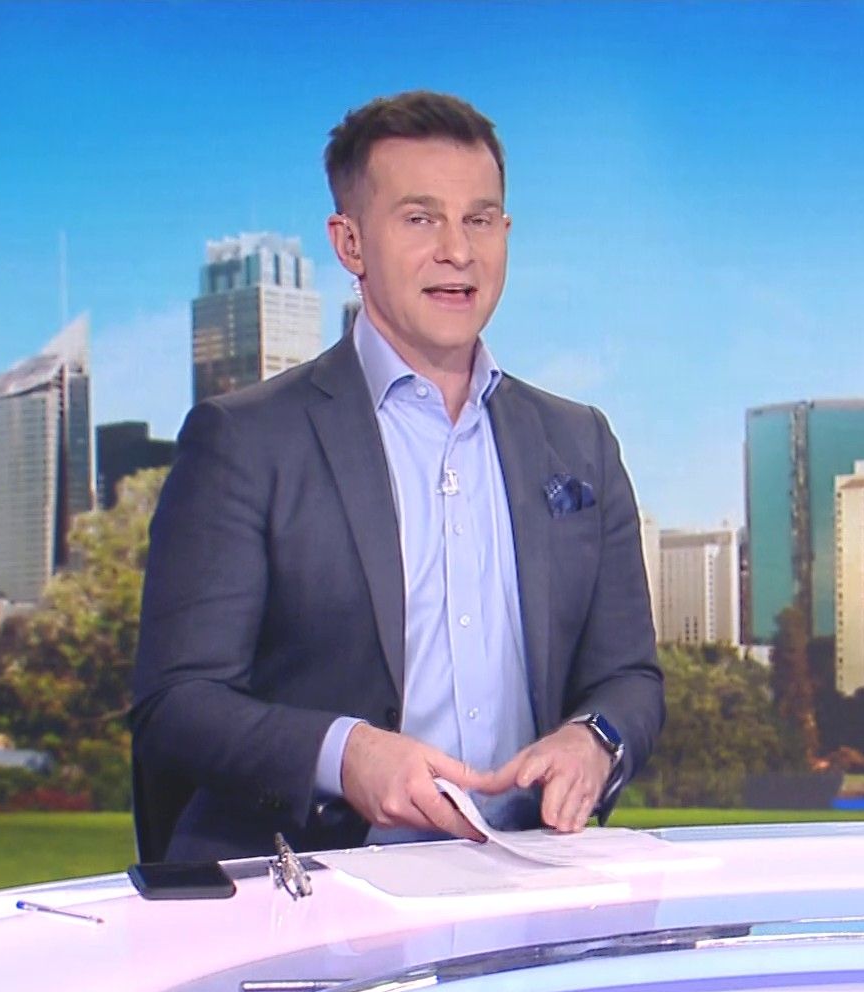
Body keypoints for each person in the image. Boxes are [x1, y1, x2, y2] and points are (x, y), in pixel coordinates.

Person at [130, 91, 663, 861]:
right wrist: (345, 755)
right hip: (314, 892)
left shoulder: (580, 442)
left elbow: (630, 679)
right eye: (420, 219)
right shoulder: (244, 440)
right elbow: (178, 704)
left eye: (480, 220)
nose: (458, 251)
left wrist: (594, 740)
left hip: (530, 884)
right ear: (350, 243)